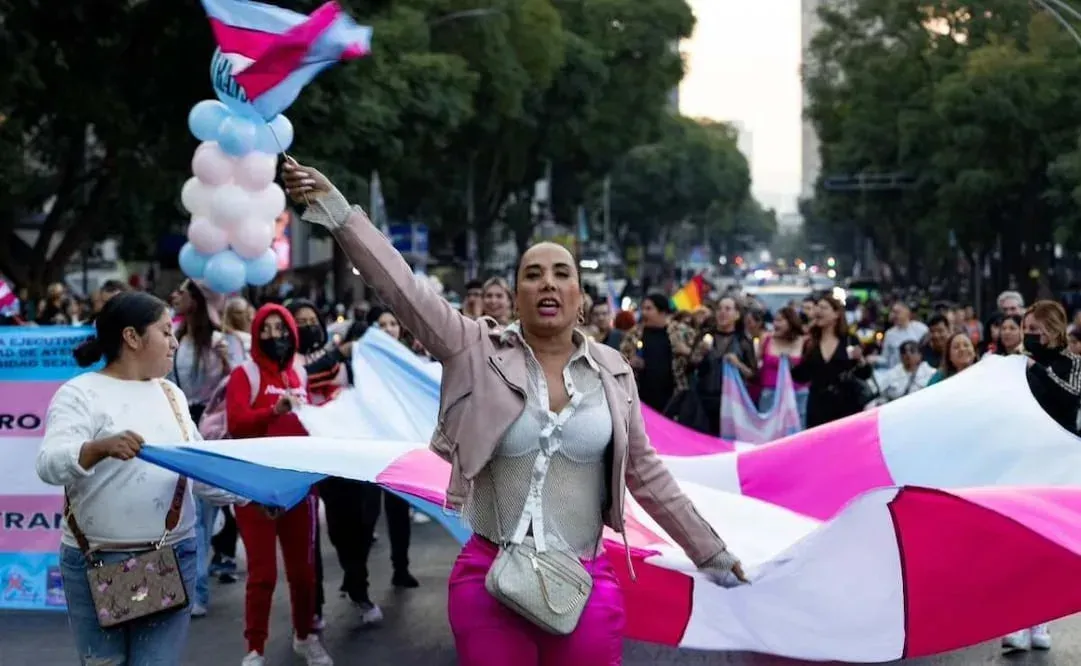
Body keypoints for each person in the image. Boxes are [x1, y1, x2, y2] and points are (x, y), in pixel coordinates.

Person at [282, 161, 746, 666]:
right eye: (533, 274)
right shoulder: (473, 349)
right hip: (489, 578)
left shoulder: (613, 372)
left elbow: (647, 473)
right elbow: (403, 289)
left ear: (580, 299)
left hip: (583, 582)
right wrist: (339, 213)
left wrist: (711, 552)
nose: (548, 283)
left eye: (562, 274)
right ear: (517, 296)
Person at [36, 291, 241, 665]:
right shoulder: (79, 394)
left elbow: (198, 470)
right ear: (131, 337)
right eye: (166, 332)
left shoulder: (171, 394)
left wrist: (254, 491)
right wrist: (98, 448)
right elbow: (49, 464)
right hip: (98, 561)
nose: (175, 342)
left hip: (171, 556)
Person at [226, 303, 331, 666]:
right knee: (263, 575)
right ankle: (255, 649)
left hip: (297, 488)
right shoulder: (245, 375)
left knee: (303, 574)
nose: (275, 336)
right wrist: (273, 411)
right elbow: (236, 423)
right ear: (256, 335)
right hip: (254, 489)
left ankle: (305, 637)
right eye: (266, 329)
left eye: (281, 328)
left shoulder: (300, 373)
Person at [790, 295, 873, 428]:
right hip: (818, 407)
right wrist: (793, 356)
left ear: (836, 314)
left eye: (824, 308)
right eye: (817, 308)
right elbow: (801, 376)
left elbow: (864, 374)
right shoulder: (810, 343)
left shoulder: (849, 340)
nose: (818, 311)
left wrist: (860, 360)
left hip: (846, 405)